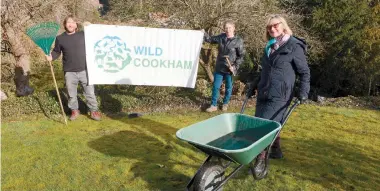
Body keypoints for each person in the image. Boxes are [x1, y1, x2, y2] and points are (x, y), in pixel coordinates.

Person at [251, 15, 310, 160]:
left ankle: (260, 159)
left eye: (275, 25)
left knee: (263, 127)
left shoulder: (294, 46)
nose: (272, 29)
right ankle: (276, 151)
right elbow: (264, 70)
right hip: (264, 91)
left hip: (280, 94)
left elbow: (304, 72)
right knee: (261, 122)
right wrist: (253, 86)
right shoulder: (270, 46)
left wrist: (303, 92)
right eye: (269, 27)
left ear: (283, 25)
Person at [46, 15, 101, 121]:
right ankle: (75, 111)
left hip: (85, 70)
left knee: (90, 93)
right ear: (65, 25)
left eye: (72, 22)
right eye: (68, 22)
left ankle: (94, 111)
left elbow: (96, 37)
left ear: (76, 25)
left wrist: (91, 27)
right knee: (71, 95)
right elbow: (57, 51)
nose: (70, 24)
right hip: (69, 72)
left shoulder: (84, 35)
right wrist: (51, 57)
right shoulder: (60, 38)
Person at [202, 20, 245, 112]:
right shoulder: (221, 37)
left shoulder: (238, 41)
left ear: (234, 28)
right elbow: (209, 39)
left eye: (230, 27)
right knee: (216, 86)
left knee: (229, 88)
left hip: (230, 69)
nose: (228, 29)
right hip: (220, 67)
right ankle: (213, 105)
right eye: (226, 28)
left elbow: (241, 56)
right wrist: (203, 33)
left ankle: (225, 103)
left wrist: (234, 66)